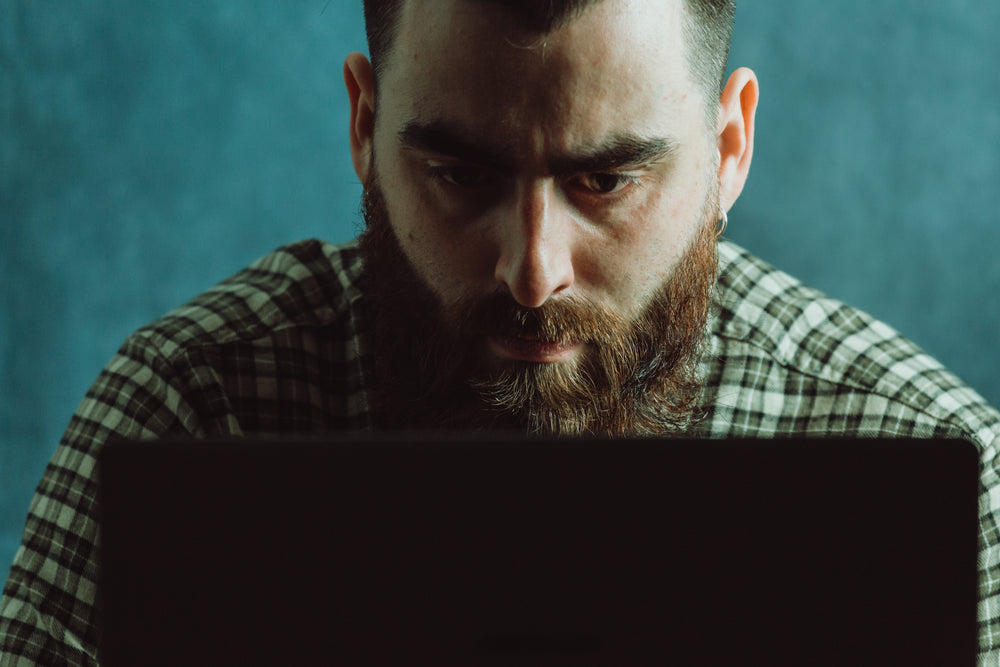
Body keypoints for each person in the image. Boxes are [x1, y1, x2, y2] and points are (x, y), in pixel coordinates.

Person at [2, 0, 998, 663]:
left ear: (729, 150)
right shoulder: (194, 406)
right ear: (362, 125)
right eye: (461, 175)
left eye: (604, 181)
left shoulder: (922, 451)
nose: (531, 272)